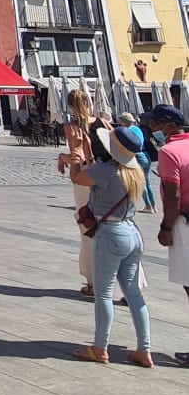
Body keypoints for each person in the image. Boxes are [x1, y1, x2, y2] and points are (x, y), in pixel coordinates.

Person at [71, 122, 152, 367]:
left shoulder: (106, 170)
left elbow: (78, 178)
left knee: (104, 294)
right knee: (133, 292)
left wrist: (76, 154)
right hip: (131, 231)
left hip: (110, 234)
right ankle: (144, 349)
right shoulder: (136, 168)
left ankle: (99, 347)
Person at [154, 102, 189, 367]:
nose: (151, 128)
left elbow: (172, 194)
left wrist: (166, 228)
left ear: (169, 126)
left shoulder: (169, 151)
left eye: (155, 123)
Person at [58, 87, 95, 297]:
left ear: (70, 105)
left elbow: (76, 158)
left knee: (87, 226)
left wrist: (62, 159)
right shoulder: (102, 122)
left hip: (83, 178)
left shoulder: (72, 128)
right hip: (103, 174)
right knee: (110, 224)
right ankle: (131, 284)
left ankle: (92, 282)